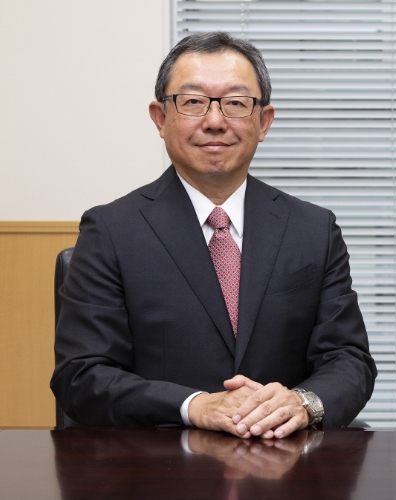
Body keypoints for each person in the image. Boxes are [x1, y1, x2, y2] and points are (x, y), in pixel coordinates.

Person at [50, 32, 376, 439]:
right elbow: (81, 375)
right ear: (160, 118)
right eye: (193, 102)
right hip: (158, 461)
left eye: (236, 103)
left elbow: (349, 360)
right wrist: (194, 405)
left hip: (284, 459)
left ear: (264, 122)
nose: (215, 121)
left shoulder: (313, 229)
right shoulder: (111, 231)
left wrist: (303, 403)